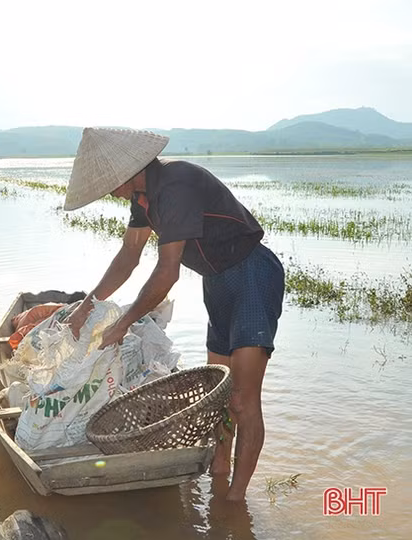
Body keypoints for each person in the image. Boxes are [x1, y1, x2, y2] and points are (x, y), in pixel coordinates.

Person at [62, 127, 284, 502]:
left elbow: (167, 272)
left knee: (244, 399)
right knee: (221, 395)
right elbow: (129, 257)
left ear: (125, 172)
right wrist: (87, 306)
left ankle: (233, 502)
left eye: (108, 184)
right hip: (217, 283)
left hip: (251, 277)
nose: (108, 192)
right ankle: (218, 471)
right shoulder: (143, 197)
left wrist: (123, 323)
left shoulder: (174, 184)